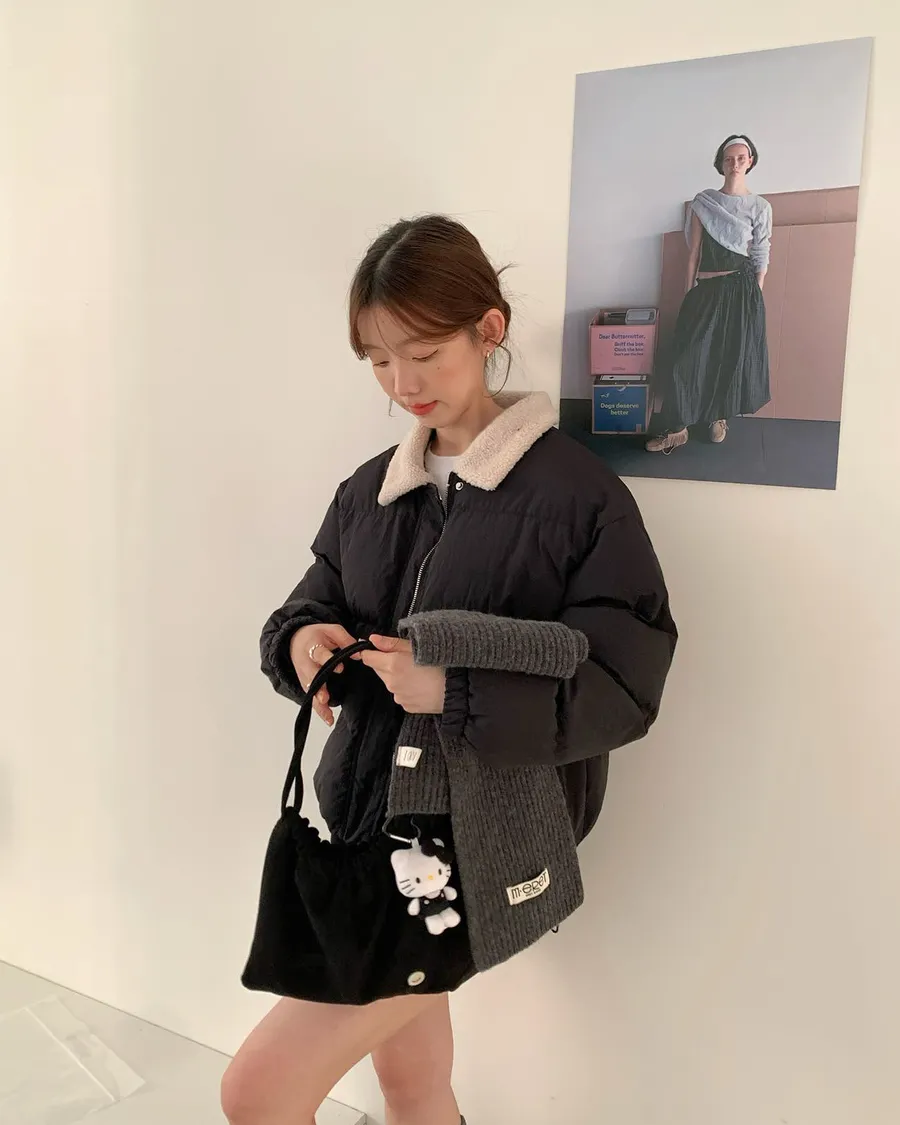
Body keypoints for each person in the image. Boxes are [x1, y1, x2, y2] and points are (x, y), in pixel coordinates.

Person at [221, 215, 677, 1125]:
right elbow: (307, 606)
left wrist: (455, 693)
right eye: (379, 360)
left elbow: (625, 684)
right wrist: (302, 646)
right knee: (414, 1087)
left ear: (488, 329)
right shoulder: (369, 490)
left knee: (258, 1091)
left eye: (424, 352)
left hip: (473, 846)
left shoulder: (579, 498)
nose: (403, 383)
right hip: (364, 819)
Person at [646, 134, 772, 454]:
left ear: (750, 162)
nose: (735, 163)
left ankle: (718, 417)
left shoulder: (760, 207)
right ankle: (678, 429)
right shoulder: (704, 202)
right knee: (688, 358)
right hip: (707, 289)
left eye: (741, 158)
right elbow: (693, 253)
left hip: (742, 292)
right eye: (729, 158)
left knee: (728, 356)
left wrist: (755, 299)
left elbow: (761, 254)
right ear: (720, 163)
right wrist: (688, 291)